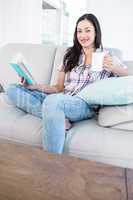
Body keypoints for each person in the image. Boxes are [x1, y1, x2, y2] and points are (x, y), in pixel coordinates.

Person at [6, 13, 128, 154]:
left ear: (96, 32)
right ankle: (58, 118)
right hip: (59, 99)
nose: (83, 35)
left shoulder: (106, 57)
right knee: (12, 89)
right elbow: (58, 88)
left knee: (53, 101)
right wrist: (33, 86)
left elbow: (128, 78)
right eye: (79, 31)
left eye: (87, 30)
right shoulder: (70, 55)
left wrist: (115, 68)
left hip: (82, 105)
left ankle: (51, 161)